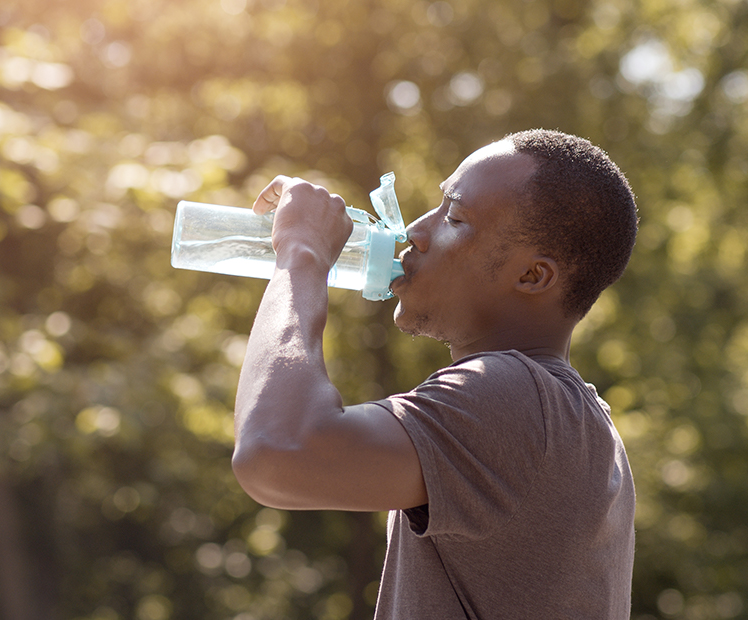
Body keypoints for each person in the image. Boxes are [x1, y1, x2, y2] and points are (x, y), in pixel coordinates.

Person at [231, 129, 638, 619]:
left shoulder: (516, 398)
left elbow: (276, 452)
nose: (414, 233)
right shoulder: (575, 416)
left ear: (532, 276)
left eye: (455, 217)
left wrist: (301, 254)